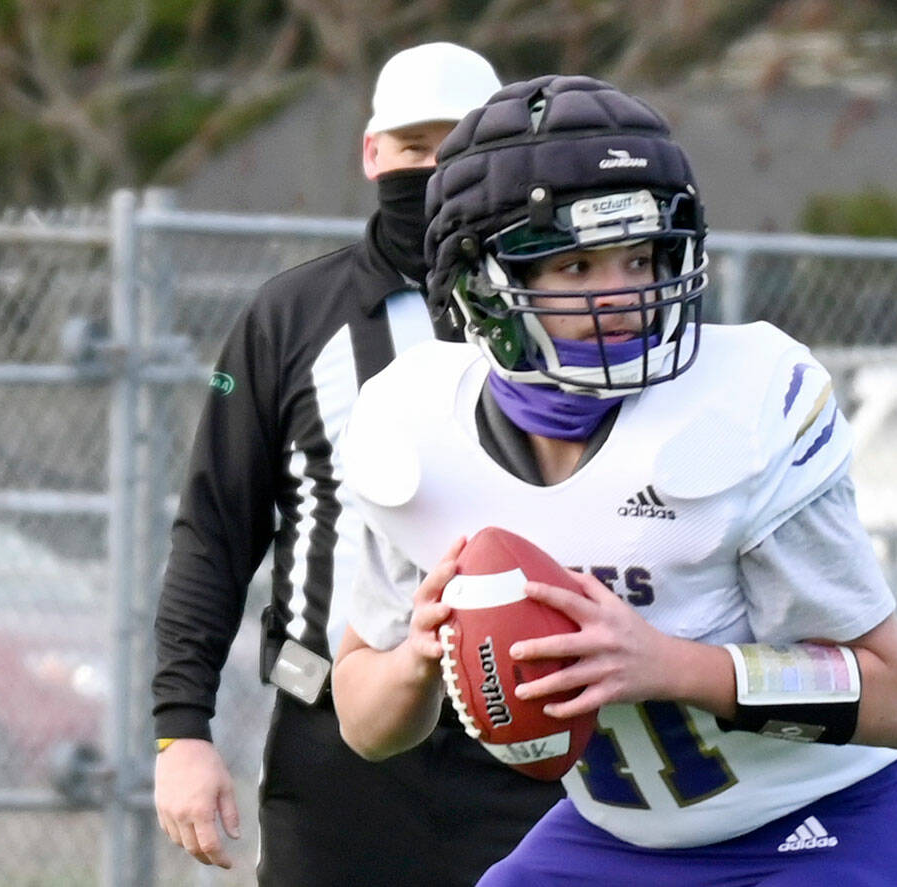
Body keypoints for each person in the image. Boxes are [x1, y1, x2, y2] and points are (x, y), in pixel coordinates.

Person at [332, 74, 897, 886]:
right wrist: (417, 656)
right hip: (617, 842)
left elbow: (894, 696)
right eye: (577, 264)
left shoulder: (742, 405)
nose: (622, 293)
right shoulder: (412, 430)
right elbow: (365, 723)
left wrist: (670, 664)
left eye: (641, 255)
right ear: (482, 282)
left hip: (819, 826)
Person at [150, 44, 563, 886]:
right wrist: (179, 730)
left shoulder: (566, 310)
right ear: (372, 154)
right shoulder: (291, 317)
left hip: (531, 736)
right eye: (414, 147)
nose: (434, 166)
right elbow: (214, 532)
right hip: (334, 735)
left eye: (457, 146)